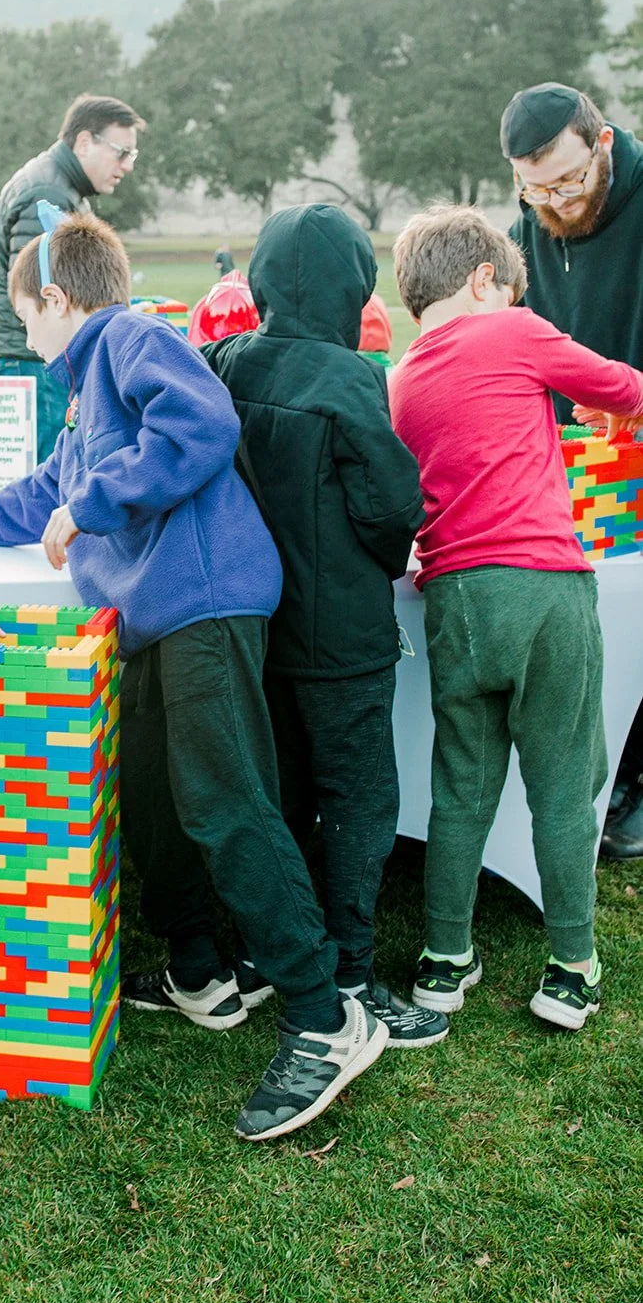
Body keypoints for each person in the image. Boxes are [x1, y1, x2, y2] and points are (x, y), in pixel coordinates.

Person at [0, 207, 389, 1142]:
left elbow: (199, 424)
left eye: (26, 319)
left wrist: (91, 503)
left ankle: (324, 1014)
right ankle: (199, 969)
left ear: (58, 299)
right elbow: (50, 488)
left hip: (204, 603)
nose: (29, 339)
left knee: (227, 804)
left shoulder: (128, 335)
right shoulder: (84, 391)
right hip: (148, 619)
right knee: (146, 793)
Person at [388, 205, 643, 1030]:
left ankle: (442, 957)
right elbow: (622, 387)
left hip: (455, 601)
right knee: (565, 786)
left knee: (458, 791)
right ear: (483, 280)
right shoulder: (513, 331)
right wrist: (613, 410)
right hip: (542, 587)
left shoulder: (397, 380)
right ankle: (570, 964)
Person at [204, 204, 445, 1048]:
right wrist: (377, 558)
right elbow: (392, 506)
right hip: (340, 634)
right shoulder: (349, 378)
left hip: (255, 624)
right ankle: (347, 969)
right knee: (358, 803)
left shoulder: (227, 361)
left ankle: (273, 950)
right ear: (354, 284)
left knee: (282, 793)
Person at [502, 82, 643, 858]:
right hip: (571, 452)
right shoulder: (533, 212)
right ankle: (602, 764)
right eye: (535, 187)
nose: (554, 199)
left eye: (567, 181)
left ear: (603, 145)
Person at [0, 93, 145, 461]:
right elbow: (36, 295)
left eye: (132, 155)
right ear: (84, 142)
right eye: (122, 152)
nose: (128, 165)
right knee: (50, 479)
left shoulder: (61, 186)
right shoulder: (48, 192)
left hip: (34, 358)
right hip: (33, 360)